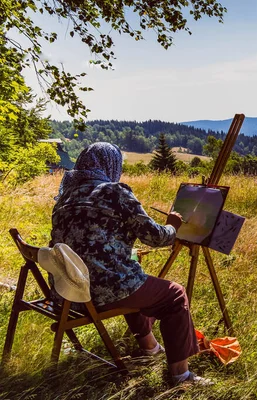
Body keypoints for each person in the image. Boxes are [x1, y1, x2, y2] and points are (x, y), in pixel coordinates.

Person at [50, 142, 209, 385]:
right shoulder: (115, 192)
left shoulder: (65, 197)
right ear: (111, 165)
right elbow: (156, 237)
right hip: (100, 293)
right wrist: (172, 225)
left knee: (133, 277)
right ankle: (181, 375)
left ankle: (150, 348)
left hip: (67, 293)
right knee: (174, 295)